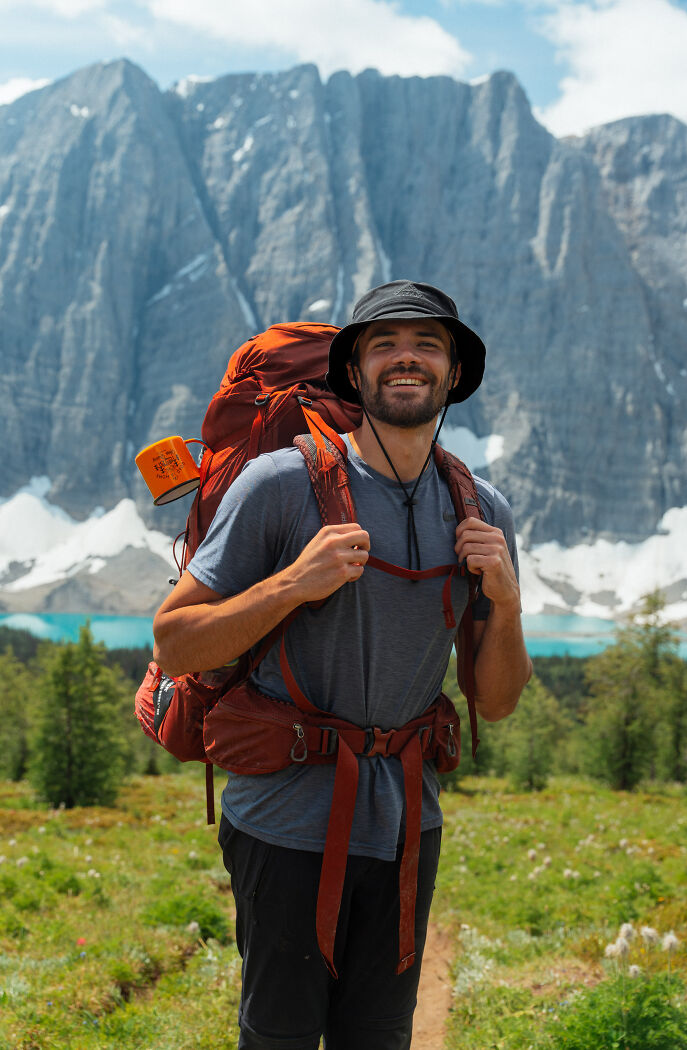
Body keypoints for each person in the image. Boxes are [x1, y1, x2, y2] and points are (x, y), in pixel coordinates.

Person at [153, 280, 532, 1050]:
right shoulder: (280, 485)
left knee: (380, 1037)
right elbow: (176, 641)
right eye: (383, 344)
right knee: (280, 1036)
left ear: (455, 372)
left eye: (428, 345)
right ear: (351, 373)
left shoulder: (481, 509)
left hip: (405, 831)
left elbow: (494, 702)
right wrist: (294, 582)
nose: (407, 359)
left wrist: (509, 602)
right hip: (283, 823)